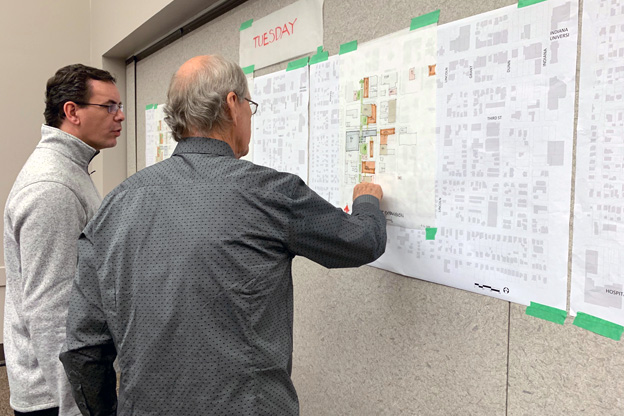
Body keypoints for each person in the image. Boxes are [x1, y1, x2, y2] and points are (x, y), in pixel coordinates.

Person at [60, 54, 386, 415]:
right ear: (233, 105)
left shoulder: (115, 205)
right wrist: (367, 203)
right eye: (250, 106)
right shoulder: (270, 192)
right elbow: (362, 242)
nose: (250, 116)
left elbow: (83, 349)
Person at [3, 64, 125, 416]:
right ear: (71, 112)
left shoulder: (70, 169)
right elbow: (50, 310)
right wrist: (76, 406)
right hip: (53, 396)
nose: (120, 116)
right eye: (109, 107)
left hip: (65, 385)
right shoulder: (52, 187)